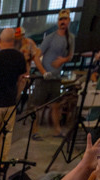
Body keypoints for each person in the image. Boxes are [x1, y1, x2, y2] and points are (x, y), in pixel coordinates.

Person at [0, 29, 28, 178]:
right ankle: (1, 165)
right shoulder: (19, 57)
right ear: (14, 41)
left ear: (0, 41)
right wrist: (16, 96)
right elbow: (22, 79)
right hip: (10, 101)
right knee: (6, 135)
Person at [32, 9, 76, 139]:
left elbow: (70, 55)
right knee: (38, 106)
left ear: (68, 21)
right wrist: (44, 72)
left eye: (65, 19)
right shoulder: (50, 37)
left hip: (56, 77)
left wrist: (64, 59)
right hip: (44, 77)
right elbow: (36, 57)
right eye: (60, 19)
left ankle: (57, 130)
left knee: (56, 105)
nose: (62, 22)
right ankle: (35, 131)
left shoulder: (71, 38)